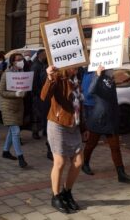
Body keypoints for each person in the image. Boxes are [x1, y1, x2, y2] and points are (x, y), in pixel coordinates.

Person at [40, 65, 86, 214]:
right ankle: (56, 196)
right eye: (75, 67)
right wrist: (49, 77)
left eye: (78, 66)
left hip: (74, 125)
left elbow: (79, 105)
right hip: (57, 123)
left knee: (79, 162)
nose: (77, 68)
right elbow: (44, 96)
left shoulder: (76, 79)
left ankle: (67, 192)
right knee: (60, 162)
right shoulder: (58, 77)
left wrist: (84, 127)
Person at [82, 65, 130, 182]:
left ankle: (121, 173)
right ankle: (84, 163)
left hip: (111, 118)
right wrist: (97, 75)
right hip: (99, 118)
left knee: (115, 147)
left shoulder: (110, 78)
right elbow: (90, 91)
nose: (112, 70)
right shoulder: (96, 76)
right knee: (91, 144)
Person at [0, 53, 28, 168]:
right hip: (8, 106)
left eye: (22, 59)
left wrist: (23, 92)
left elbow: (24, 88)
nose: (21, 61)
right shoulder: (6, 74)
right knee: (16, 131)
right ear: (12, 62)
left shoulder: (22, 73)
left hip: (18, 106)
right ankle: (21, 157)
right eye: (18, 60)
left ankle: (5, 151)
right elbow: (1, 91)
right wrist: (15, 93)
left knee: (12, 130)